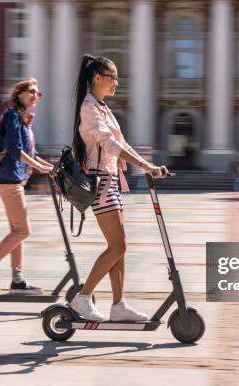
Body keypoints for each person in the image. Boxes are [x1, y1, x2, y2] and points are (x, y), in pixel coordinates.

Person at [68, 54, 166, 322]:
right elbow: (110, 144)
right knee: (118, 246)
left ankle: (118, 305)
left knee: (119, 246)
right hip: (99, 183)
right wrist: (146, 166)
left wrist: (147, 164)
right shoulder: (89, 108)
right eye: (113, 78)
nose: (116, 84)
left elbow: (122, 144)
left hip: (111, 181)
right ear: (97, 78)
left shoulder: (103, 108)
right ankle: (83, 298)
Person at [0, 78, 53, 295]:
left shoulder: (24, 120)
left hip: (14, 180)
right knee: (22, 230)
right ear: (19, 94)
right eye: (32, 92)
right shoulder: (12, 116)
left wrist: (51, 167)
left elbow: (31, 153)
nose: (36, 96)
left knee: (16, 231)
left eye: (38, 93)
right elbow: (15, 150)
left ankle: (17, 280)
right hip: (8, 181)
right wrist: (38, 167)